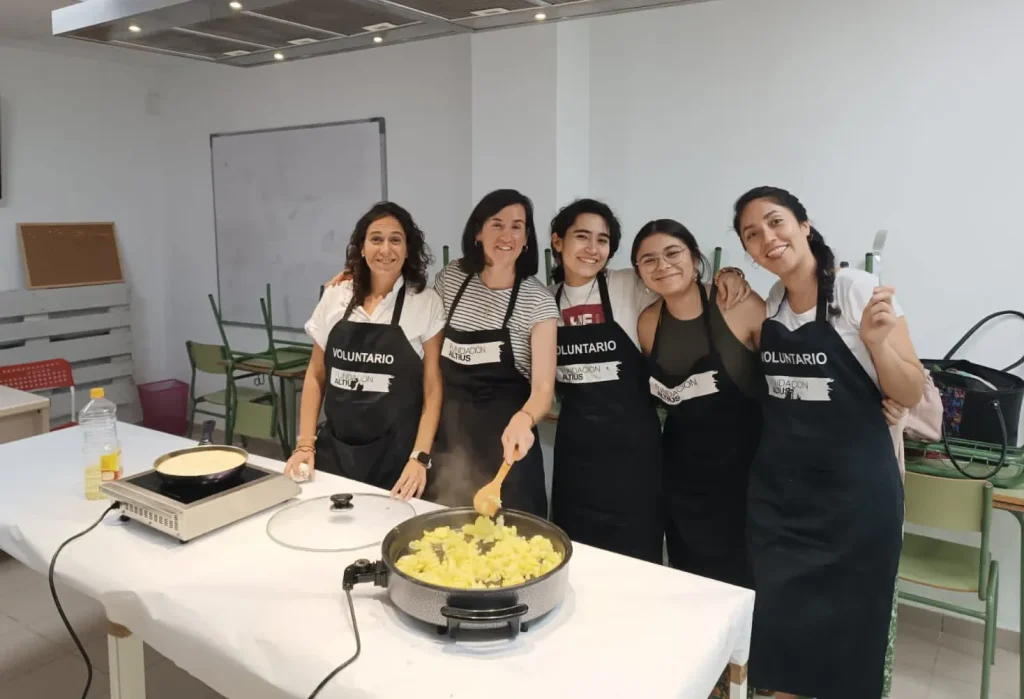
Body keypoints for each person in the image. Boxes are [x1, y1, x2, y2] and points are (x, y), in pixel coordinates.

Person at [733, 186, 924, 699]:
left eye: (776, 223)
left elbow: (909, 389)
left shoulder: (857, 289)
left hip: (854, 502)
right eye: (752, 234)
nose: (768, 239)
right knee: (780, 633)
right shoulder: (771, 305)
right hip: (780, 499)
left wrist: (879, 343)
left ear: (804, 225)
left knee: (847, 641)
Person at [547, 199, 750, 562]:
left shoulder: (630, 285)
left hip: (635, 457)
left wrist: (728, 274)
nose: (593, 249)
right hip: (576, 456)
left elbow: (681, 284)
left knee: (638, 562)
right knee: (577, 559)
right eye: (582, 237)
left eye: (603, 240)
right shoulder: (544, 303)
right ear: (558, 241)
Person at [633, 219, 766, 586]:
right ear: (639, 272)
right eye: (649, 260)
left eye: (673, 253)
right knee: (691, 582)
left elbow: (783, 376)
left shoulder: (738, 305)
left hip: (744, 476)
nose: (663, 266)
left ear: (694, 259)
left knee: (745, 583)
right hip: (682, 477)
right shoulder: (648, 323)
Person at [283, 202, 445, 501]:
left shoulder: (425, 302)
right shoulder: (335, 296)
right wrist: (305, 444)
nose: (386, 249)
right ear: (361, 247)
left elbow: (433, 388)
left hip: (397, 460)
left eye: (396, 239)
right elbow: (316, 375)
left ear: (408, 248)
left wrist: (419, 457)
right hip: (336, 452)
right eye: (376, 239)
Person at [424, 189, 558, 517]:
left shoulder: (537, 301)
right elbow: (426, 345)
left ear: (527, 238)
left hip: (508, 445)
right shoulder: (451, 279)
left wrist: (524, 419)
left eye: (517, 227)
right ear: (478, 232)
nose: (506, 235)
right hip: (449, 440)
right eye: (496, 224)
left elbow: (543, 390)